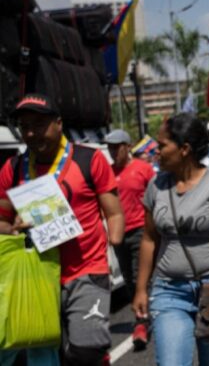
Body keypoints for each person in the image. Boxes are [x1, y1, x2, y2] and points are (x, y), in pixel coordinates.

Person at [0, 94, 124, 366]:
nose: (31, 133)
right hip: (38, 274)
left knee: (86, 350)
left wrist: (115, 239)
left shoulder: (89, 159)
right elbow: (2, 221)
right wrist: (13, 228)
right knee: (44, 348)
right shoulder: (12, 168)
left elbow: (114, 212)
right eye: (24, 126)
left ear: (59, 123)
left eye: (39, 124)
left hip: (86, 270)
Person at [131, 114, 209, 366]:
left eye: (162, 146)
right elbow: (149, 239)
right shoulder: (156, 186)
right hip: (168, 290)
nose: (156, 152)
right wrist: (141, 289)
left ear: (184, 149)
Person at [105, 128, 157, 349]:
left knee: (139, 278)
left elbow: (157, 198)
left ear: (128, 147)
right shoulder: (106, 172)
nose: (113, 151)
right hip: (118, 235)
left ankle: (141, 323)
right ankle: (146, 314)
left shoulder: (143, 169)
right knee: (127, 279)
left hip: (141, 231)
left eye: (117, 146)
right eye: (110, 147)